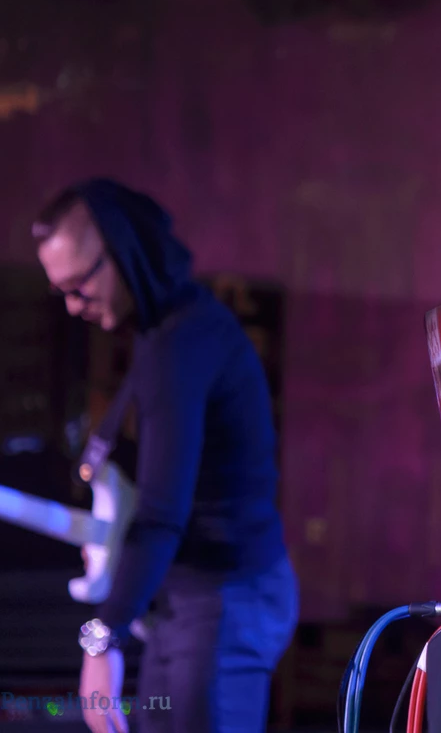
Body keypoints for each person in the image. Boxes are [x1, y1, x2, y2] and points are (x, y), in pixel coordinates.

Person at [32, 180, 296, 733]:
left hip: (226, 594)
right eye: (62, 293)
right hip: (193, 595)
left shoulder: (182, 345)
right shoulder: (165, 333)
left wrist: (100, 641)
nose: (73, 305)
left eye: (79, 285)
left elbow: (161, 512)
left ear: (121, 253)